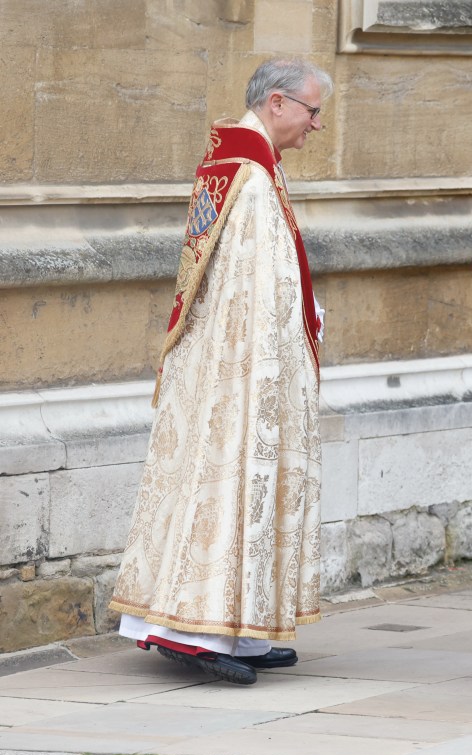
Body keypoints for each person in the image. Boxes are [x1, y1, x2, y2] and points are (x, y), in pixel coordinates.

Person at [108, 58, 332, 685]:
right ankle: (193, 629)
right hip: (241, 367)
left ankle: (240, 628)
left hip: (233, 360)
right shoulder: (251, 178)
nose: (317, 125)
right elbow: (251, 290)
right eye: (313, 112)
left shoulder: (241, 163)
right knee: (227, 477)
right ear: (280, 103)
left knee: (237, 483)